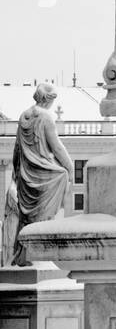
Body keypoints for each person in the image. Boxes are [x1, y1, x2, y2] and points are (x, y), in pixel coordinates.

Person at [10, 84, 73, 265]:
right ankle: (41, 252)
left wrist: (17, 171)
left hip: (26, 175)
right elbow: (57, 147)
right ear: (48, 99)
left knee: (27, 216)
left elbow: (17, 149)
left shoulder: (24, 116)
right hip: (43, 175)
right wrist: (69, 167)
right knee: (61, 176)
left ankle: (23, 254)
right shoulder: (46, 117)